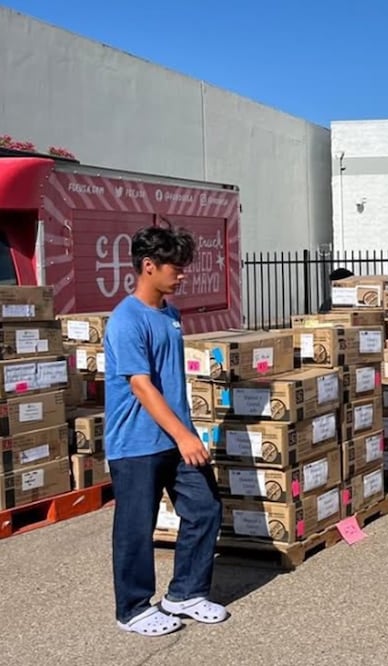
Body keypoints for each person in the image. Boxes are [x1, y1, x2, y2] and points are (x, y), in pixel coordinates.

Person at [105, 226, 226, 636]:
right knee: (137, 527)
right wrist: (184, 435)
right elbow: (141, 385)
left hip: (175, 435)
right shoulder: (125, 320)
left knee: (205, 508)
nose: (183, 274)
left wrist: (185, 432)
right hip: (135, 442)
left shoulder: (170, 315)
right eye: (176, 267)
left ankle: (185, 593)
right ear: (148, 266)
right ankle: (133, 609)